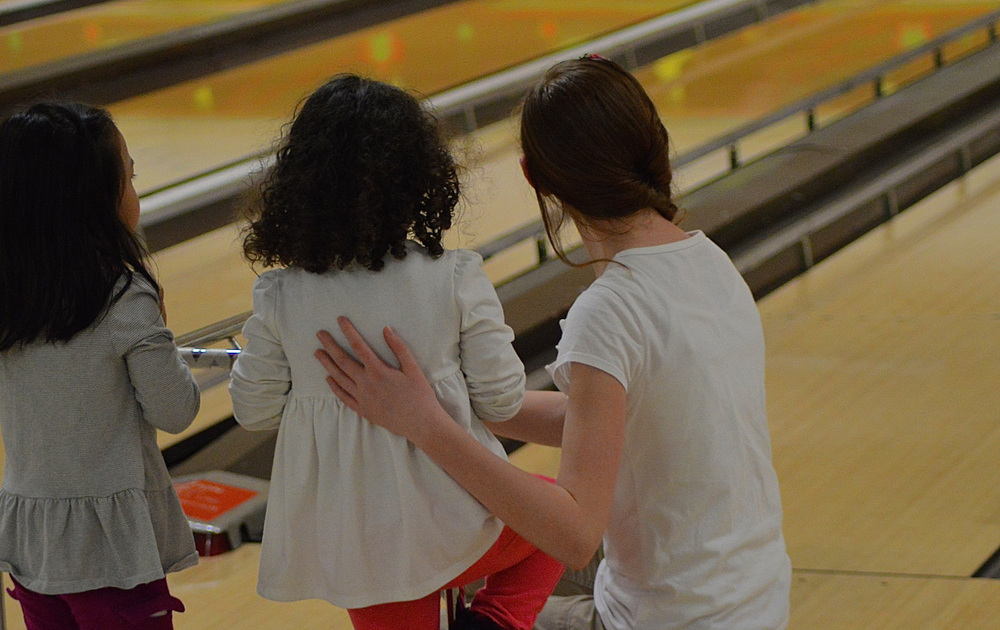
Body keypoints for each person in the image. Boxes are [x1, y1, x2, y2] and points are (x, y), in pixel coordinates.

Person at [315, 56, 792, 630]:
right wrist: (458, 402)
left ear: (533, 177)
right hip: (754, 605)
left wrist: (428, 426)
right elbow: (608, 419)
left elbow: (573, 534)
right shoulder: (707, 259)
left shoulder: (611, 309)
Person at [228, 74, 564, 630]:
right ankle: (496, 621)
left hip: (357, 541)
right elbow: (501, 401)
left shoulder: (281, 297)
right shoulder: (454, 277)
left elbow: (254, 411)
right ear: (419, 177)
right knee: (557, 516)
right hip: (456, 518)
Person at [0, 102, 201, 629]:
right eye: (130, 179)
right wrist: (159, 326)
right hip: (111, 554)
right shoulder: (124, 297)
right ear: (95, 201)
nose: (136, 192)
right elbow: (176, 408)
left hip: (34, 544)